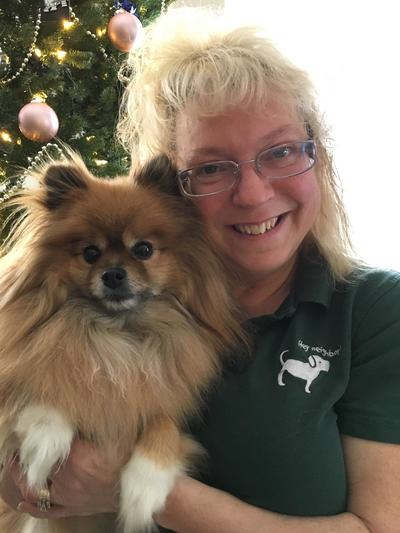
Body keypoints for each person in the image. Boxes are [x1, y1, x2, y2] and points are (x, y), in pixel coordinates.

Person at [2, 6, 400, 532]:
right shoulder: (124, 315)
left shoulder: (374, 311)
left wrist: (147, 491)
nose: (253, 193)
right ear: (177, 189)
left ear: (318, 155)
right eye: (212, 167)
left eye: (280, 151)